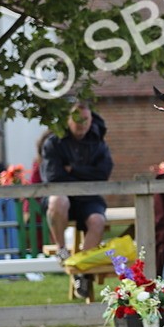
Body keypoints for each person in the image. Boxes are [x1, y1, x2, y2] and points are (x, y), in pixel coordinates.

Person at [42, 101, 113, 298]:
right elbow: (53, 177)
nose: (81, 124)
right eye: (76, 119)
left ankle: (81, 270)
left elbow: (103, 174)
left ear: (91, 119)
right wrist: (86, 175)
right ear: (67, 119)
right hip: (62, 197)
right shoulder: (54, 141)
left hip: (89, 197)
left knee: (98, 221)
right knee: (58, 201)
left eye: (86, 119)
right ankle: (62, 250)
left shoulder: (99, 141)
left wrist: (73, 169)